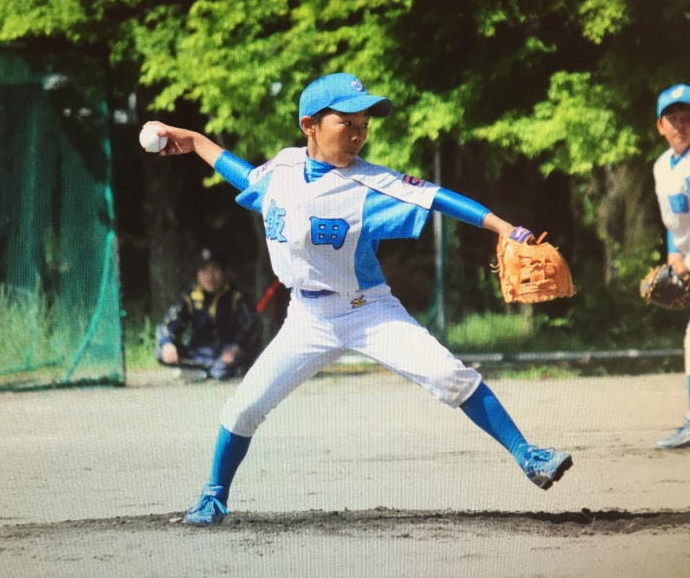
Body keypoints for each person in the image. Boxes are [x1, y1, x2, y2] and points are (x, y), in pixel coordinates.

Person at [143, 72, 573, 526]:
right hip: (306, 318)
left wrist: (504, 228)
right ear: (309, 125)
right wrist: (195, 141)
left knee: (449, 374)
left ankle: (528, 455)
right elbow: (243, 175)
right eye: (346, 123)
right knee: (244, 406)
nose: (358, 134)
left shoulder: (372, 183)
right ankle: (213, 497)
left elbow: (438, 198)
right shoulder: (282, 170)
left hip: (368, 311)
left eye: (364, 125)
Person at [650, 83, 690, 449]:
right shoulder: (662, 166)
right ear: (660, 126)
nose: (680, 124)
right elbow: (673, 224)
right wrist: (674, 258)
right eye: (672, 118)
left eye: (687, 116)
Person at [156, 248, 260, 381]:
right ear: (197, 274)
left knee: (231, 364)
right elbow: (168, 324)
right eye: (204, 271)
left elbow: (251, 324)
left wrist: (236, 348)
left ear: (223, 272)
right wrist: (167, 344)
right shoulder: (190, 298)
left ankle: (201, 372)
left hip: (228, 353)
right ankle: (203, 371)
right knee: (160, 353)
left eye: (215, 269)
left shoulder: (237, 296)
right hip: (199, 353)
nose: (210, 276)